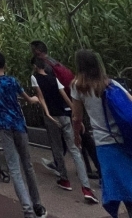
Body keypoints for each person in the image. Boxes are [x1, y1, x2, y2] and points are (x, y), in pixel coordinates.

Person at [0, 51, 47, 218]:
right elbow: (28, 99)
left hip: (3, 126)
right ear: (5, 64)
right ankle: (38, 206)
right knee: (28, 166)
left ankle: (28, 214)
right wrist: (37, 99)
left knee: (14, 168)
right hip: (19, 124)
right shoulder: (13, 81)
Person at [71, 49, 132, 218]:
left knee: (126, 193)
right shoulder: (111, 83)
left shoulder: (77, 86)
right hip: (126, 141)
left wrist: (77, 135)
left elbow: (76, 117)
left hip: (106, 146)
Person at [30, 38, 100, 179]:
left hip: (63, 106)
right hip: (72, 103)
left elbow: (54, 88)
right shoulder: (56, 62)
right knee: (76, 136)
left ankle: (73, 171)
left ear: (38, 52)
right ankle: (86, 167)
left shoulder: (46, 66)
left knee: (79, 137)